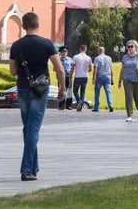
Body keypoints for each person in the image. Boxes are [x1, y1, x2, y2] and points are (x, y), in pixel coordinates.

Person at [8, 11, 66, 182]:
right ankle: (27, 170)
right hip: (40, 90)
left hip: (23, 88)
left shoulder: (16, 46)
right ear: (38, 24)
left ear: (23, 26)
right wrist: (62, 89)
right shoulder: (47, 44)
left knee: (28, 127)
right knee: (33, 128)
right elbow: (60, 69)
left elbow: (12, 71)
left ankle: (34, 166)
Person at [120, 39, 138, 122]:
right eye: (128, 47)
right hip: (127, 79)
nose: (129, 48)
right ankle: (129, 115)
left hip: (137, 80)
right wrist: (120, 80)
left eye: (131, 46)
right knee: (128, 97)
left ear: (135, 47)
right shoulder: (125, 57)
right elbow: (122, 69)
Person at [91, 45, 114, 112]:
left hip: (100, 76)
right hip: (107, 76)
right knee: (108, 91)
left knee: (97, 92)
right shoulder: (109, 58)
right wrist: (112, 79)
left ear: (98, 51)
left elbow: (95, 69)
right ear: (104, 51)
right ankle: (110, 105)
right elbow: (111, 69)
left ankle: (96, 107)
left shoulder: (97, 58)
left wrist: (94, 78)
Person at [71, 44, 92, 110]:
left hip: (78, 76)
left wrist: (71, 75)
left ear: (79, 49)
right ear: (86, 49)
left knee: (75, 91)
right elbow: (90, 68)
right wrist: (86, 71)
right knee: (83, 91)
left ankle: (79, 101)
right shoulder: (88, 58)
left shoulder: (75, 57)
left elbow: (73, 67)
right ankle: (81, 104)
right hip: (85, 76)